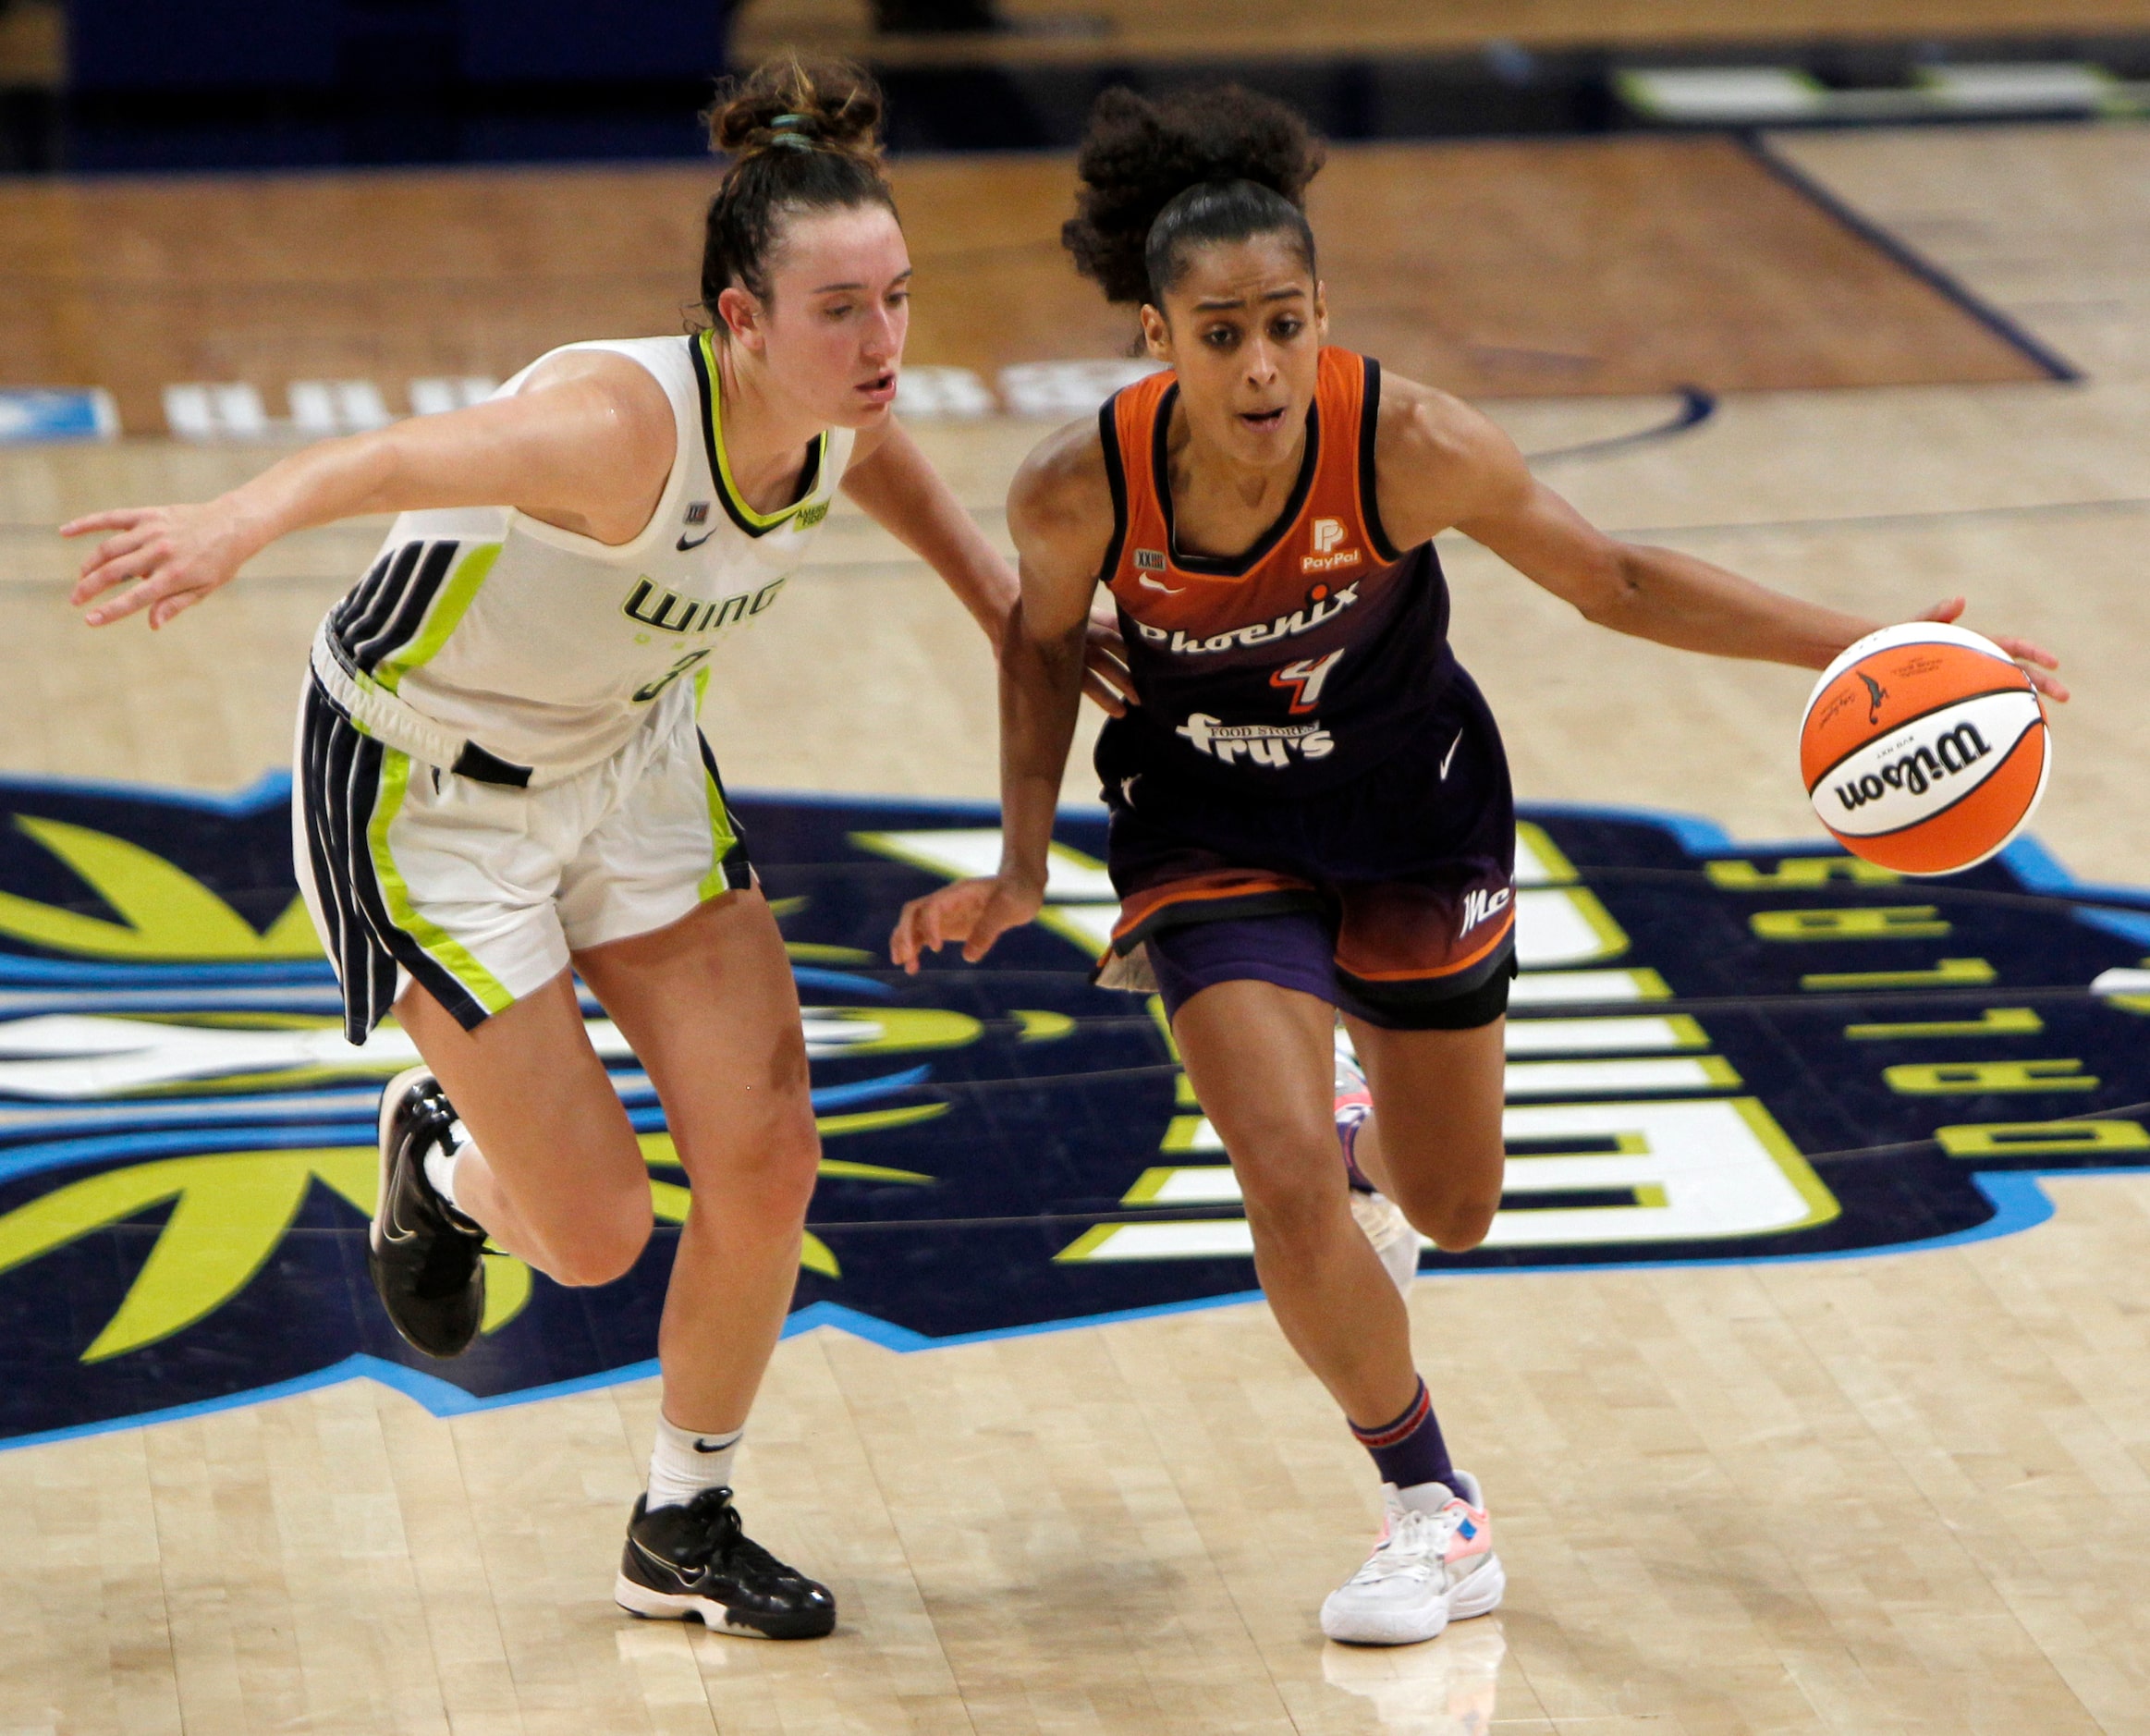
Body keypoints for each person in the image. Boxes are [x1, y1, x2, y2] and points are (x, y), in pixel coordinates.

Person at [888, 84, 2067, 1646]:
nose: (1258, 364)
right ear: (1151, 340)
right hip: (1206, 827)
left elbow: (1620, 580)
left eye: (1284, 323)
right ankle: (1431, 1509)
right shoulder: (1074, 485)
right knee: (1277, 1169)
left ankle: (1374, 1127)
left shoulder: (1409, 441)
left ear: (1325, 316)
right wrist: (1023, 864)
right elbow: (1041, 656)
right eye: (1219, 330)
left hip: (1412, 819)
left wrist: (1885, 643)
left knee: (1451, 1208)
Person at [62, 57, 1125, 1644]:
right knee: (592, 1234)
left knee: (767, 1162)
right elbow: (391, 457)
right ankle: (438, 1157)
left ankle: (683, 1517)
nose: (885, 343)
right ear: (737, 320)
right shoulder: (614, 422)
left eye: (897, 298)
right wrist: (234, 523)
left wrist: (1013, 615)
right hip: (422, 794)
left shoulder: (840, 413)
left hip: (624, 766)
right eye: (841, 310)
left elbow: (897, 486)